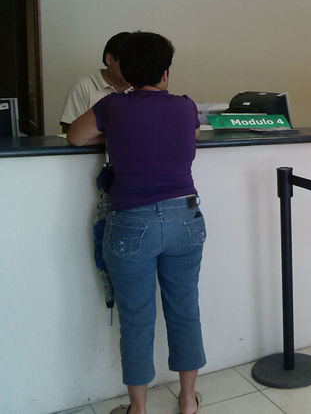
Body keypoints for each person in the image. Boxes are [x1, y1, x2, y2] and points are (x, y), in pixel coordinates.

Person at [68, 32, 205, 414]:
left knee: (137, 319)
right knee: (184, 310)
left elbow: (75, 136)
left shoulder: (113, 106)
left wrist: (113, 133)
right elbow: (192, 136)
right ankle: (188, 400)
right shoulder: (185, 106)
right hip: (185, 218)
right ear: (165, 73)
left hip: (131, 223)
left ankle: (138, 409)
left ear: (126, 73)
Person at [59, 32, 132, 133]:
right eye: (129, 63)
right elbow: (69, 131)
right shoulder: (83, 87)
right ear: (109, 59)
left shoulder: (144, 87)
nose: (135, 69)